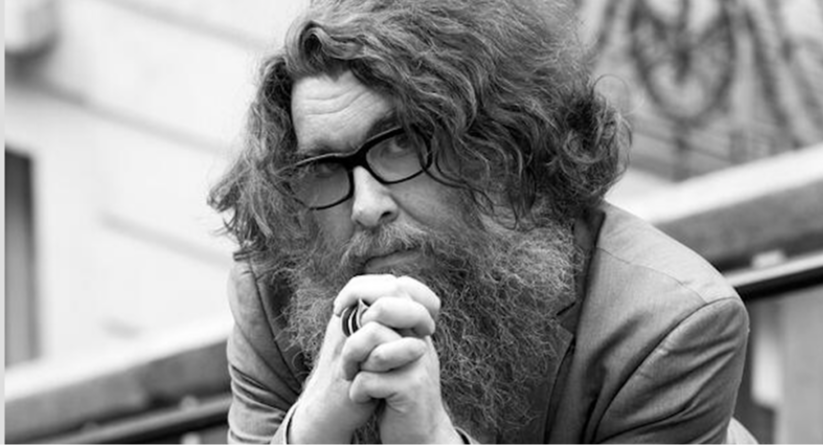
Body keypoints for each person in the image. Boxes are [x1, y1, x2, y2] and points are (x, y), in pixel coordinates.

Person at [209, 0, 758, 443]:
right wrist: (310, 428)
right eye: (327, 167)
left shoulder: (666, 329)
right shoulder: (274, 291)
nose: (366, 206)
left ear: (500, 145)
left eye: (402, 144)